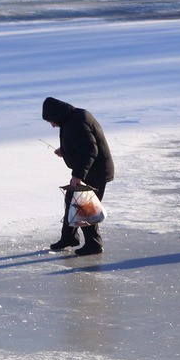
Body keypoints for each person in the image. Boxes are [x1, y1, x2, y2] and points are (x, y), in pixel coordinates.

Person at [42, 97, 115, 256]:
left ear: (57, 115)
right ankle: (69, 238)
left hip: (96, 172)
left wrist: (77, 176)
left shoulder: (76, 122)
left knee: (84, 207)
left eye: (51, 121)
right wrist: (66, 149)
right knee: (72, 201)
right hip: (93, 170)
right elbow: (82, 143)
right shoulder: (73, 118)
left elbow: (89, 151)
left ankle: (93, 244)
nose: (53, 125)